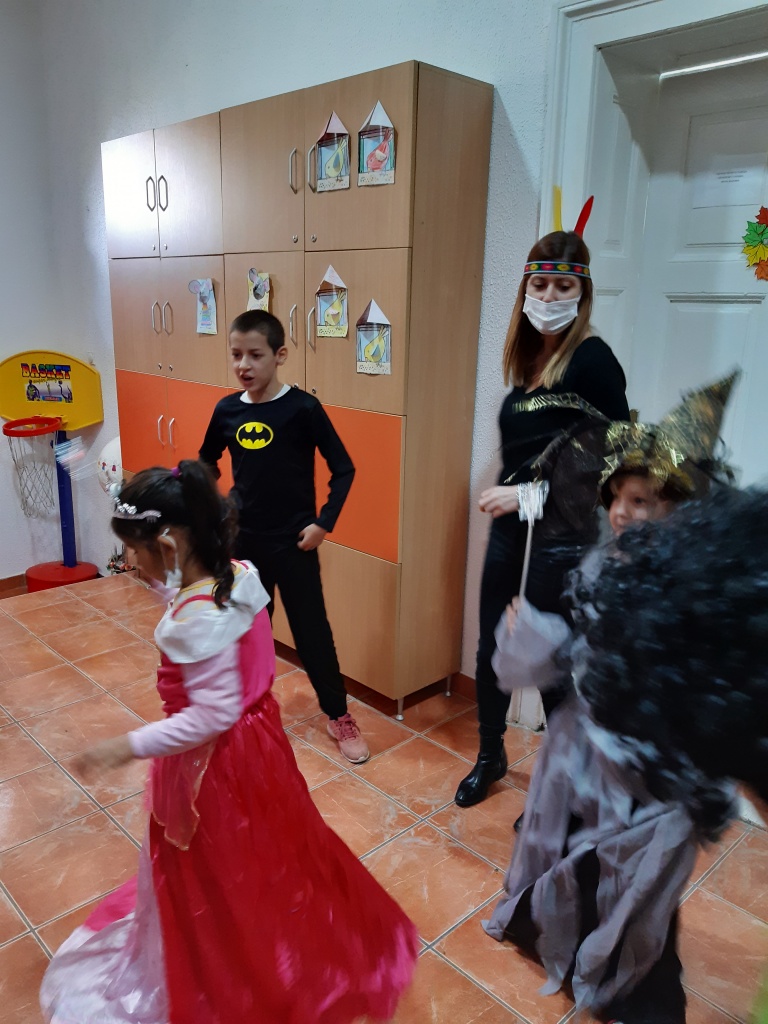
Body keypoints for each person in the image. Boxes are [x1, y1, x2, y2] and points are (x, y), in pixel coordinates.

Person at [40, 461, 418, 1024]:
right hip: (259, 745)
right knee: (270, 852)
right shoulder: (238, 575)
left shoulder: (195, 620)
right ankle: (276, 940)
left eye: (135, 552)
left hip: (213, 769)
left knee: (217, 868)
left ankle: (238, 969)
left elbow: (210, 717)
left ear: (169, 545)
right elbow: (210, 638)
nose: (131, 563)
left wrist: (129, 745)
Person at [485, 374, 738, 1024]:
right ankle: (560, 939)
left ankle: (640, 991)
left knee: (637, 880)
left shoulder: (692, 594)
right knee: (576, 853)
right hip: (584, 757)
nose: (624, 513)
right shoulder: (605, 566)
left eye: (644, 501)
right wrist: (538, 637)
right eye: (619, 498)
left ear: (680, 509)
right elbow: (584, 654)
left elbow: (693, 690)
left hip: (648, 773)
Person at [455, 226, 630, 808]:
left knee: (549, 660)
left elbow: (610, 462)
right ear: (525, 288)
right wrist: (515, 496)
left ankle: (564, 787)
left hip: (562, 538)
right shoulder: (527, 361)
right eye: (540, 284)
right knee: (493, 649)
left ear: (582, 294)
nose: (549, 297)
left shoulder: (594, 361)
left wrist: (528, 497)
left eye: (562, 287)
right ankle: (490, 755)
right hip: (511, 530)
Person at [199, 309, 368, 764]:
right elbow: (206, 462)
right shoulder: (227, 410)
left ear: (280, 355)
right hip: (244, 545)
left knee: (313, 634)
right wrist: (218, 508)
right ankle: (243, 716)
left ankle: (339, 715)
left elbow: (344, 468)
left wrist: (324, 522)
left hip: (294, 544)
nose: (244, 365)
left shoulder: (303, 409)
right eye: (236, 354)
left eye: (255, 355)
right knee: (246, 634)